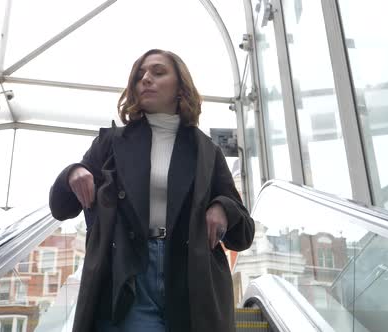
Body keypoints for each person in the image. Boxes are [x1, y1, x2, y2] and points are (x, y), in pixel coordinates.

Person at [49, 49, 255, 332]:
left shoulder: (205, 151)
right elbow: (60, 207)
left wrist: (223, 207)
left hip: (190, 281)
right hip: (129, 274)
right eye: (140, 75)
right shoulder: (111, 143)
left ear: (180, 86)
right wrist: (73, 172)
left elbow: (243, 235)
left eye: (158, 72)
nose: (146, 79)